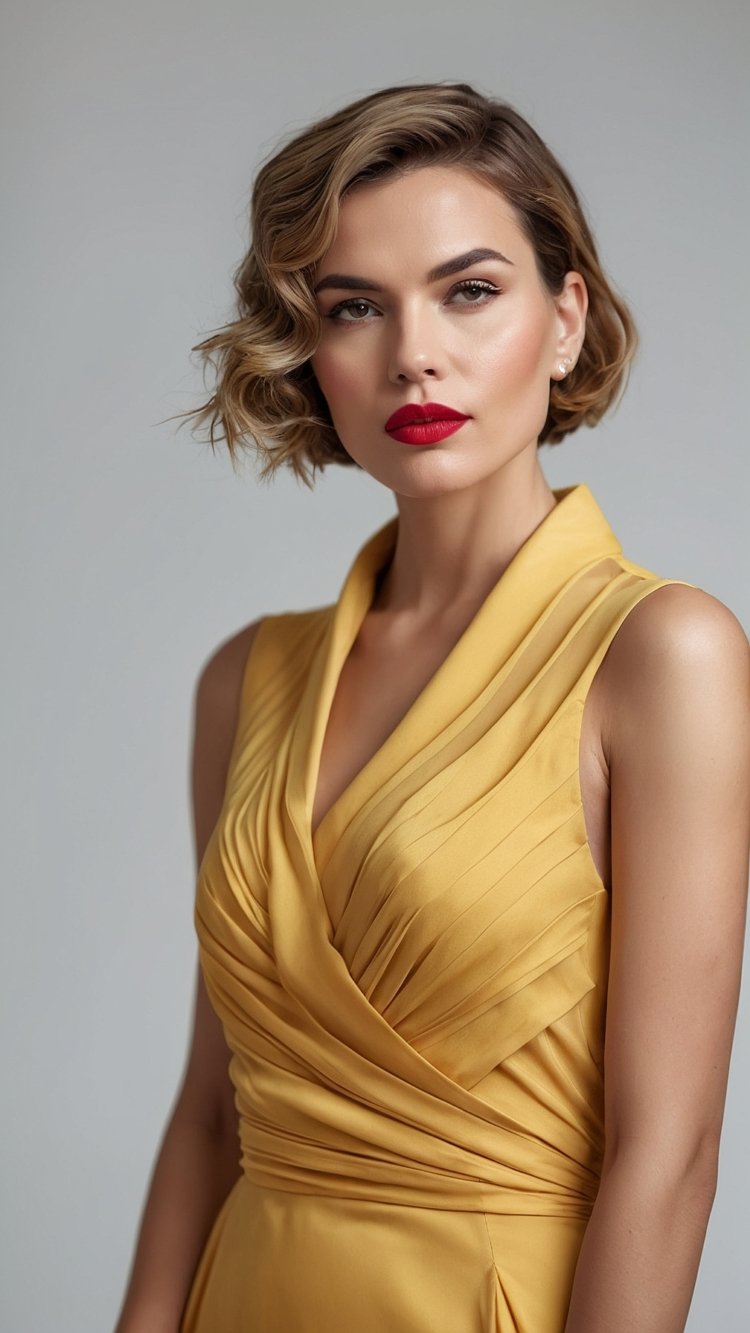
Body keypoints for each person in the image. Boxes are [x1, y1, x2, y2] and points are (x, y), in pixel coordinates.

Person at [115, 81, 750, 1333]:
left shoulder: (661, 655)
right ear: (313, 352)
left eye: (470, 290)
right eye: (356, 306)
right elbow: (213, 1105)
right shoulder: (248, 678)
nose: (414, 351)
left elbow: (665, 1160)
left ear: (565, 320)